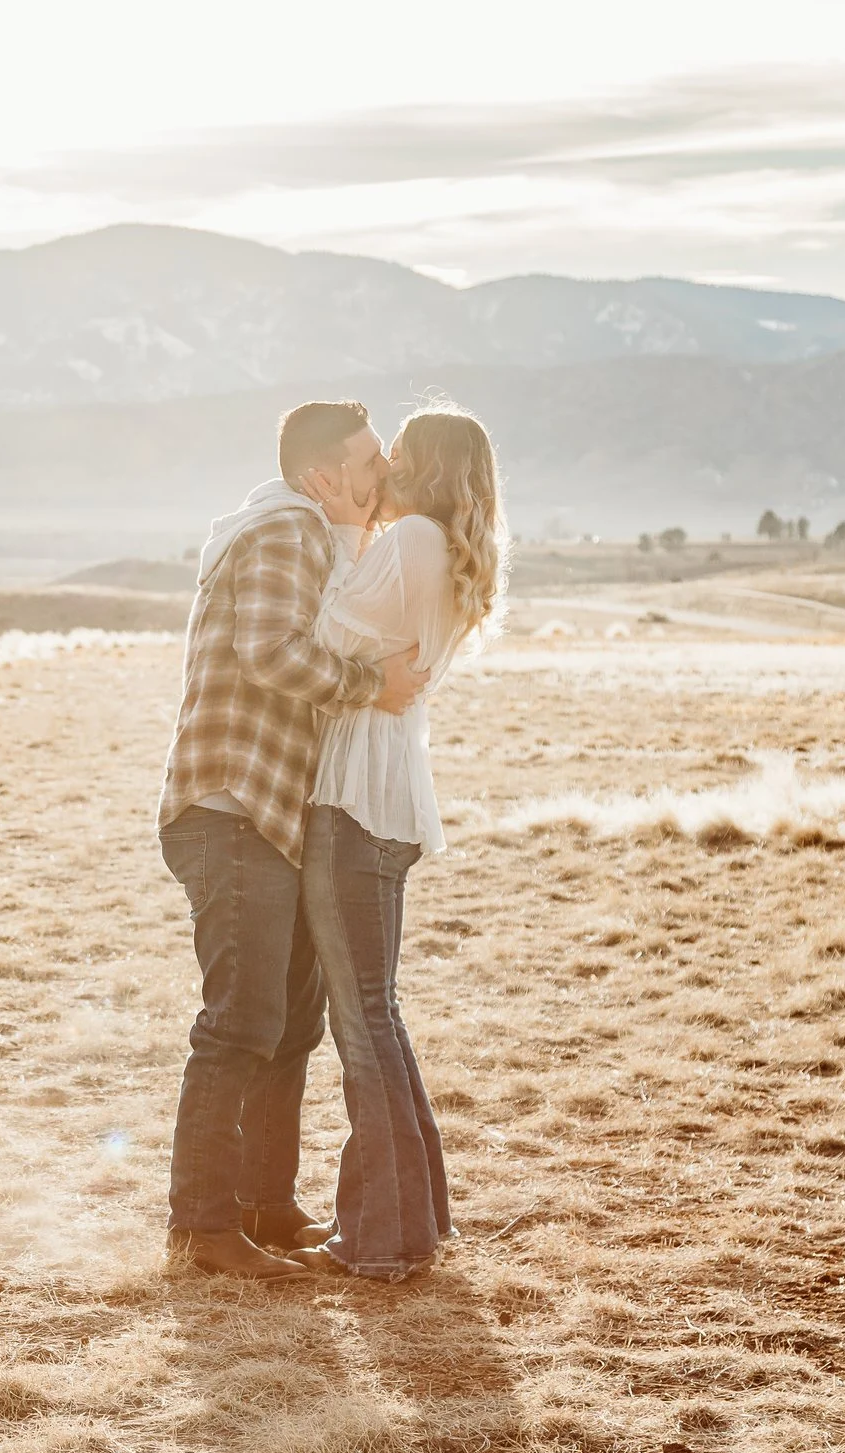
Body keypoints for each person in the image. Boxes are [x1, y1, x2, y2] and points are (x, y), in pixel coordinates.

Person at [156, 401, 426, 1281]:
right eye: (367, 462)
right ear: (320, 475)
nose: (380, 476)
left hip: (270, 810)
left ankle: (264, 1205)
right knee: (241, 1022)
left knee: (290, 1023)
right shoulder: (288, 531)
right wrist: (368, 686)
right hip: (234, 804)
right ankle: (204, 1228)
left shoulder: (315, 533)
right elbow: (269, 648)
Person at [286, 405, 501, 1281]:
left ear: (430, 470)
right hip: (386, 802)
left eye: (401, 453)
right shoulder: (436, 549)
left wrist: (341, 531)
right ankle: (415, 1222)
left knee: (363, 1024)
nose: (388, 465)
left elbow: (326, 632)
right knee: (379, 1016)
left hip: (355, 803)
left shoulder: (409, 541)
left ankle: (378, 1237)